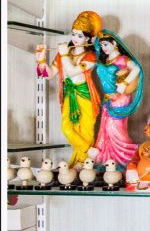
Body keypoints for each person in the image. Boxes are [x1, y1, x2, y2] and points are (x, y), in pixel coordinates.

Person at [35, 11, 102, 166]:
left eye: (80, 36)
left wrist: (64, 55)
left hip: (84, 95)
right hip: (68, 94)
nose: (75, 39)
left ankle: (83, 164)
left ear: (88, 38)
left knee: (85, 130)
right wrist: (41, 60)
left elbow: (72, 71)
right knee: (67, 128)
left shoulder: (90, 57)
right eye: (74, 34)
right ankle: (88, 151)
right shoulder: (63, 54)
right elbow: (48, 74)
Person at [90, 30, 143, 164]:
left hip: (121, 97)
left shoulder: (123, 59)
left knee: (115, 128)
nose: (104, 48)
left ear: (115, 44)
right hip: (108, 98)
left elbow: (137, 69)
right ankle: (109, 159)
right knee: (105, 128)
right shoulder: (106, 61)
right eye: (102, 45)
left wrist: (124, 84)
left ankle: (126, 157)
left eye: (106, 44)